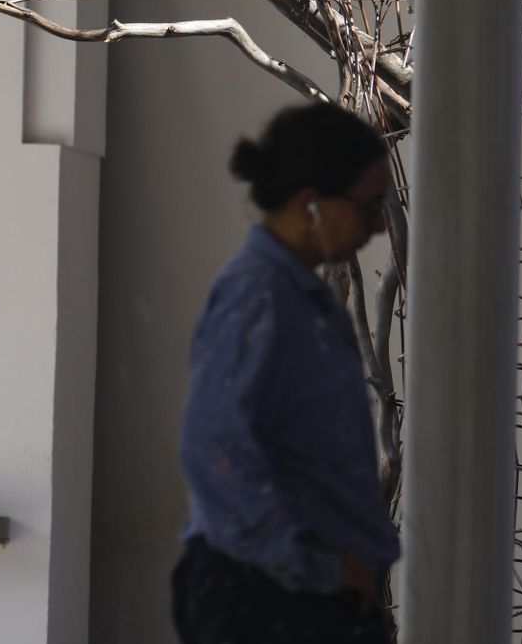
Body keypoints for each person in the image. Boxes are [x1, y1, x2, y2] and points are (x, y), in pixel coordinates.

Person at [172, 101, 400, 643]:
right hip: (265, 597)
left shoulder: (301, 297)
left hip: (306, 593)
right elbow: (214, 451)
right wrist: (316, 566)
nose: (379, 223)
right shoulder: (257, 298)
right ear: (309, 205)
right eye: (369, 205)